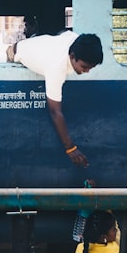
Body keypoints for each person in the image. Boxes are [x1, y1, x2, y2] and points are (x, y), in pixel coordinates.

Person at [8, 31, 103, 168]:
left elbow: (65, 33)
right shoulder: (56, 67)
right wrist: (71, 149)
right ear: (72, 56)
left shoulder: (75, 40)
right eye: (84, 67)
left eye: (90, 68)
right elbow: (54, 111)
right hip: (15, 50)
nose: (87, 71)